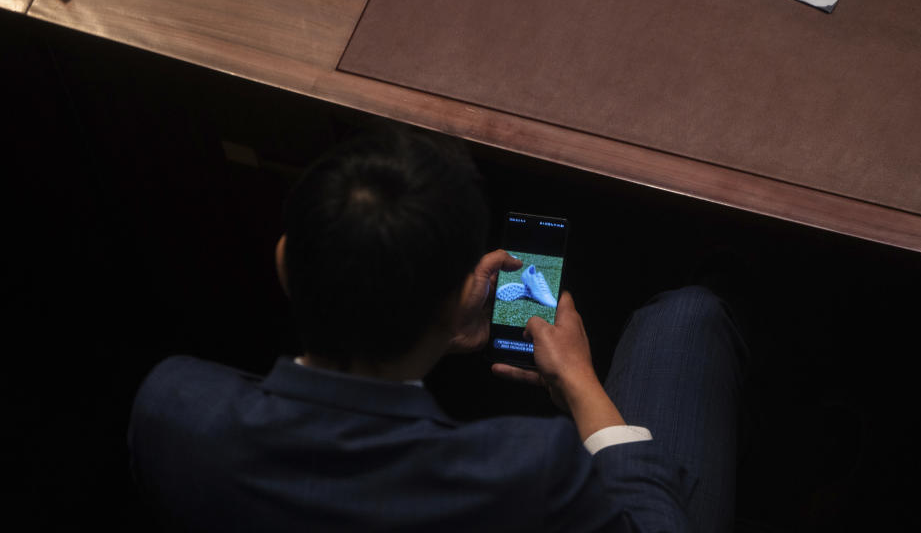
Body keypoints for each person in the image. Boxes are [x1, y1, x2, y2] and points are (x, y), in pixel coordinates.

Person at [128, 126, 749, 532]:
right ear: (458, 299)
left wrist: (425, 341)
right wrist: (582, 384)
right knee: (687, 318)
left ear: (285, 261)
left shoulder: (172, 407)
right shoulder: (529, 471)